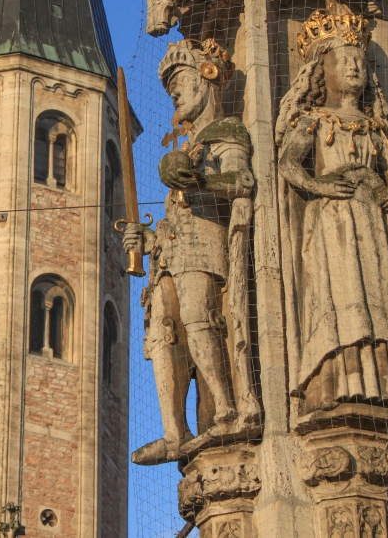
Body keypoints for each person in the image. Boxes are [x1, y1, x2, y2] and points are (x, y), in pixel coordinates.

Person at [276, 6, 388, 416]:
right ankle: (342, 381)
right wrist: (318, 185)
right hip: (334, 221)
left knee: (379, 297)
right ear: (324, 70)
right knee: (341, 296)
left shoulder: (376, 126)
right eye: (344, 60)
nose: (354, 67)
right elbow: (288, 164)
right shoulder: (314, 119)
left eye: (359, 60)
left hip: (374, 221)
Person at [124, 38, 260, 465]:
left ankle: (224, 408)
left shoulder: (227, 133)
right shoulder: (186, 149)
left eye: (179, 82)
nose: (175, 93)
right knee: (161, 331)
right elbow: (172, 218)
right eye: (169, 88)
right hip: (170, 254)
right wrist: (145, 241)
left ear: (207, 75)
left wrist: (197, 183)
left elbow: (243, 184)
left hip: (205, 247)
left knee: (199, 319)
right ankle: (173, 431)